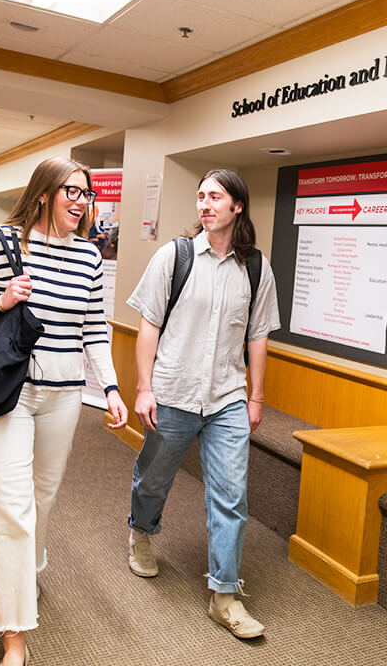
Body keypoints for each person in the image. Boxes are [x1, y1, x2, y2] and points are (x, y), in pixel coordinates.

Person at [0, 157, 128, 666]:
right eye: (73, 192)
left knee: (43, 497)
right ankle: (13, 634)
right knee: (11, 508)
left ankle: (27, 571)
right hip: (7, 393)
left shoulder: (89, 257)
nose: (82, 202)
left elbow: (94, 329)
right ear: (44, 194)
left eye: (87, 194)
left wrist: (109, 388)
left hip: (63, 397)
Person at [125, 169, 280, 639]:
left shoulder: (255, 267)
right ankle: (141, 534)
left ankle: (225, 596)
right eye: (201, 196)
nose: (205, 204)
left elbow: (257, 336)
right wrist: (144, 387)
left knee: (231, 496)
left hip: (227, 399)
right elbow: (149, 324)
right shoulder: (174, 256)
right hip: (173, 391)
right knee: (155, 477)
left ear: (237, 207)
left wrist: (255, 396)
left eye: (216, 197)